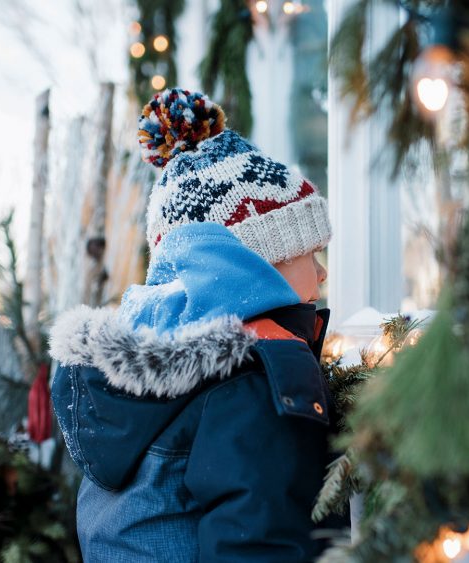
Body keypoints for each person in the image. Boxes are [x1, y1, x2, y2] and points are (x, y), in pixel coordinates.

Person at [49, 88, 343, 562]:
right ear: (260, 266)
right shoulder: (248, 378)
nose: (323, 273)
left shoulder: (135, 384)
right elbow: (261, 543)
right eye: (311, 254)